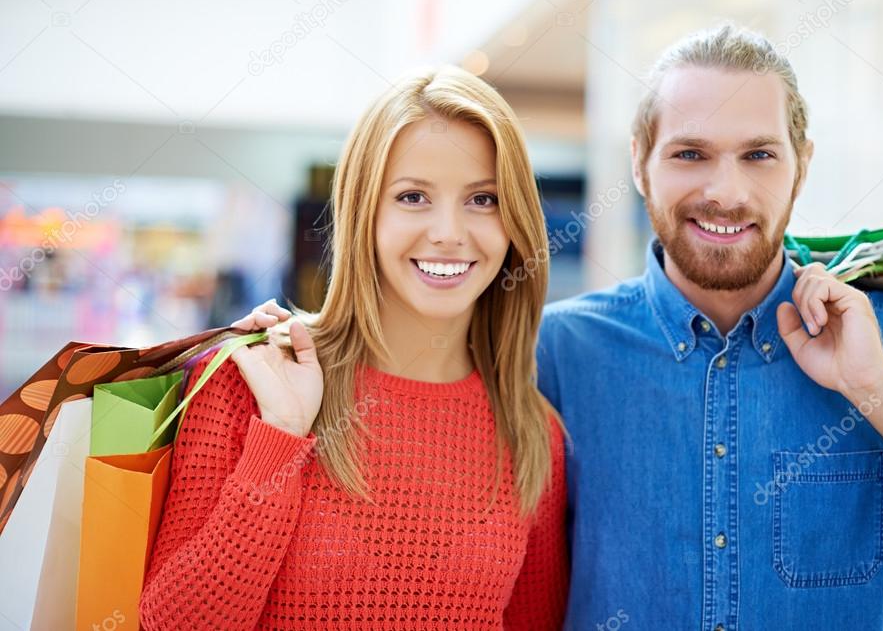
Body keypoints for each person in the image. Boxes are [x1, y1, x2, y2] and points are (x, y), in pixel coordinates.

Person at [533, 24, 883, 629]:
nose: (726, 192)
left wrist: (878, 389)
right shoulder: (556, 352)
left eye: (758, 155)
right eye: (690, 154)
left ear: (801, 165)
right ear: (638, 162)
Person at [138, 66, 568, 630]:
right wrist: (279, 438)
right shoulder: (254, 377)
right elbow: (171, 626)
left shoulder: (531, 430)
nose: (448, 232)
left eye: (483, 199)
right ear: (364, 211)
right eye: (413, 196)